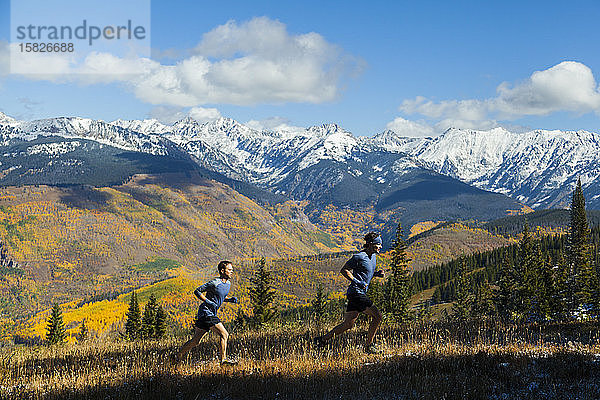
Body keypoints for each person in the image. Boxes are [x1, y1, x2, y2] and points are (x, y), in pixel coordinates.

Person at [315, 232, 385, 354]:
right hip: (356, 293)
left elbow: (366, 274)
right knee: (378, 316)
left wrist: (377, 274)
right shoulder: (359, 256)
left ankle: (321, 340)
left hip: (356, 293)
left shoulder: (373, 257)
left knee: (348, 324)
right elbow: (344, 270)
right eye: (378, 244)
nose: (380, 247)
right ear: (370, 244)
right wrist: (357, 282)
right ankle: (368, 346)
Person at [174, 260, 239, 365]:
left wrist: (229, 299)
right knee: (224, 334)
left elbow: (221, 296)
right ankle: (223, 360)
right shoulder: (214, 283)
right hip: (206, 312)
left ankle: (177, 356)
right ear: (222, 271)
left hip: (208, 314)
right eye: (229, 270)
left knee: (196, 341)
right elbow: (197, 291)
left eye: (232, 270)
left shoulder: (228, 284)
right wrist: (208, 302)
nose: (232, 272)